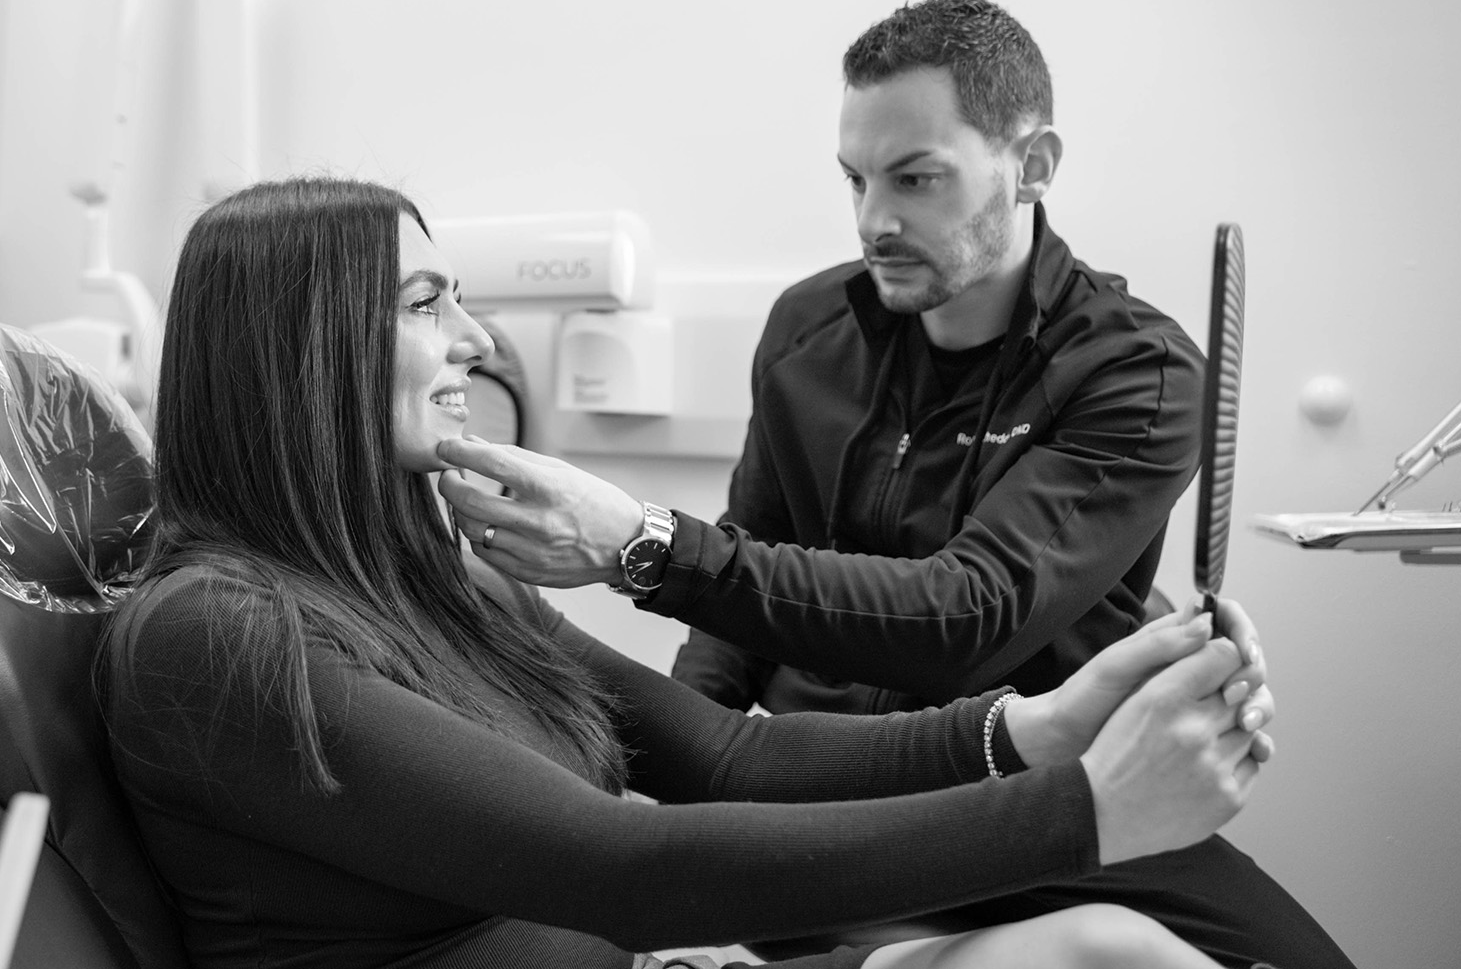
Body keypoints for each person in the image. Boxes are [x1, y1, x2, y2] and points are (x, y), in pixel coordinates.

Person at [97, 177, 1276, 969]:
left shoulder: (440, 580)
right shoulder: (213, 636)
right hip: (647, 940)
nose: (475, 339)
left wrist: (1044, 730)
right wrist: (1082, 813)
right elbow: (630, 868)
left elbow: (726, 755)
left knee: (1108, 949)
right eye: (424, 303)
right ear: (298, 347)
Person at [436, 0, 1354, 969]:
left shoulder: (1136, 372)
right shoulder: (807, 330)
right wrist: (681, 786)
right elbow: (743, 578)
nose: (877, 219)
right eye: (858, 180)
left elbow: (968, 617)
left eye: (916, 179)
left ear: (1033, 164)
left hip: (1042, 786)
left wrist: (647, 542)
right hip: (824, 792)